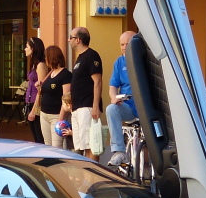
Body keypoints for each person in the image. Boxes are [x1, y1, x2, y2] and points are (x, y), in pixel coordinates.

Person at [67, 27, 102, 159]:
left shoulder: (91, 55)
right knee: (82, 145)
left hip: (87, 106)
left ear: (78, 40)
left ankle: (93, 175)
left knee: (91, 144)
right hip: (77, 107)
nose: (68, 40)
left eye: (71, 37)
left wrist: (95, 106)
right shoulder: (80, 58)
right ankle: (87, 175)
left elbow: (97, 81)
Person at [106, 31, 138, 166]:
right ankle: (119, 151)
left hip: (147, 109)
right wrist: (114, 98)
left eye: (127, 44)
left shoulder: (146, 59)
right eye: (122, 44)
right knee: (111, 109)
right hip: (128, 107)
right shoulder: (119, 62)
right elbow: (113, 86)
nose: (124, 47)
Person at [35, 46, 71, 148]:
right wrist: (39, 87)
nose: (45, 59)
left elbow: (66, 98)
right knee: (47, 145)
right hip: (44, 114)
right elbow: (45, 92)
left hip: (56, 115)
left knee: (56, 147)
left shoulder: (65, 75)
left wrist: (60, 118)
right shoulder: (50, 73)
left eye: (47, 57)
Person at [22, 37, 46, 143]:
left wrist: (33, 110)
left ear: (33, 48)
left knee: (39, 136)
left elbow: (40, 89)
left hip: (36, 104)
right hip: (30, 102)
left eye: (27, 47)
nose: (24, 49)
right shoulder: (33, 64)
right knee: (35, 135)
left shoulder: (40, 65)